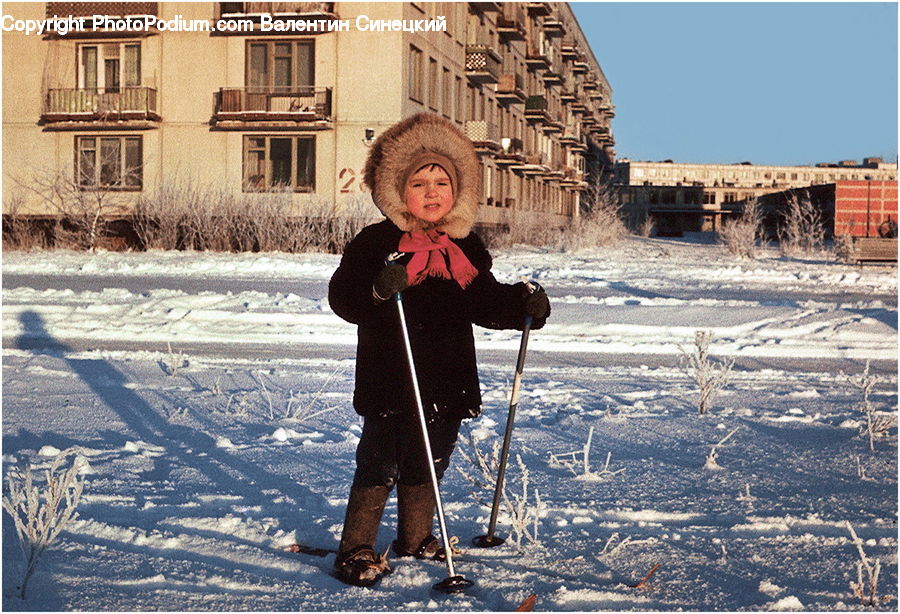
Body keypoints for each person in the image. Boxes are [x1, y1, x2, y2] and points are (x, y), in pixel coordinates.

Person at [327, 113, 550, 587]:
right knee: (380, 460)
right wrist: (380, 289)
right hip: (392, 374)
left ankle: (414, 537)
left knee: (432, 457)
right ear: (395, 189)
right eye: (419, 182)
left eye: (442, 182)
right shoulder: (376, 244)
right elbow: (344, 300)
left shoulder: (463, 246)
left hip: (447, 376)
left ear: (459, 189)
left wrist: (521, 304)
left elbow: (483, 301)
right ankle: (356, 547)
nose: (432, 192)